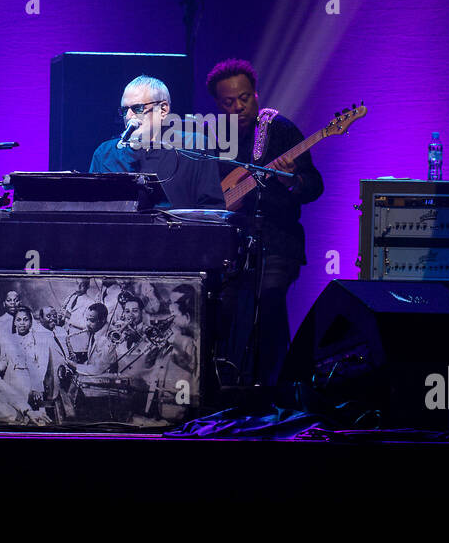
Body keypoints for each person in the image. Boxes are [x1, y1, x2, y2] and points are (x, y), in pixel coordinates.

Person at [206, 58, 324, 385]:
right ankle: (224, 385)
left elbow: (314, 185)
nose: (239, 107)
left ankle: (276, 386)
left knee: (269, 298)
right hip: (229, 244)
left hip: (277, 240)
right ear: (218, 104)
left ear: (256, 95)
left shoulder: (280, 129)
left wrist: (289, 180)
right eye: (229, 102)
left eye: (245, 98)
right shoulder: (211, 136)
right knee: (218, 304)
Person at [89, 75, 224, 209]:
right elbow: (91, 207)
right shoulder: (105, 153)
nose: (129, 116)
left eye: (138, 108)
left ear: (163, 110)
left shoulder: (195, 145)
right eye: (124, 110)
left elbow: (212, 209)